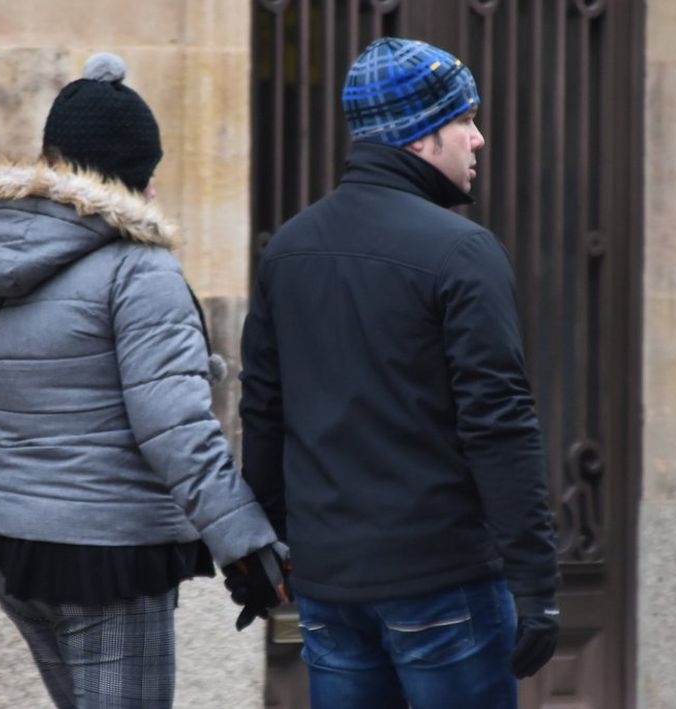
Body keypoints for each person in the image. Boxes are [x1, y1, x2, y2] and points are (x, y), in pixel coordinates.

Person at [0, 52, 285, 709]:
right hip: (106, 559)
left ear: (51, 159)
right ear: (137, 176)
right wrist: (248, 547)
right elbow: (174, 429)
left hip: (9, 551)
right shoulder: (140, 270)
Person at [237, 37, 561, 708]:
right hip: (442, 582)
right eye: (464, 120)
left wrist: (260, 548)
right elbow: (499, 426)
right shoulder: (463, 252)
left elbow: (263, 412)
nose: (478, 139)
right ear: (419, 137)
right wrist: (536, 584)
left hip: (329, 585)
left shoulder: (288, 249)